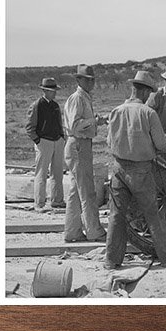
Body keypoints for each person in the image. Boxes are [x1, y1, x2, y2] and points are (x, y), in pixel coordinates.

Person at [105, 69, 166, 269]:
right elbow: (161, 144)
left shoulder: (116, 111)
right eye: (149, 93)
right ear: (144, 92)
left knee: (116, 215)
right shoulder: (148, 113)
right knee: (153, 215)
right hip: (141, 172)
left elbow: (110, 142)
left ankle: (111, 260)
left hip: (118, 169)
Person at [62, 63, 107, 243]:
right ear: (79, 80)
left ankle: (72, 231)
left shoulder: (84, 98)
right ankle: (94, 231)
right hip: (78, 144)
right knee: (87, 191)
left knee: (76, 191)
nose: (91, 83)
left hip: (81, 144)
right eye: (87, 80)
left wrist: (96, 121)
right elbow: (75, 125)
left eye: (92, 80)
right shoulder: (77, 98)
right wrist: (94, 121)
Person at [24, 76, 65, 212]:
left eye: (55, 90)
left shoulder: (55, 105)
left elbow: (59, 123)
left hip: (57, 141)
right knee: (41, 174)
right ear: (45, 91)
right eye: (52, 91)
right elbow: (29, 127)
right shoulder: (37, 105)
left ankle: (57, 201)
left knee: (57, 173)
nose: (55, 93)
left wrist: (62, 137)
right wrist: (38, 141)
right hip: (44, 142)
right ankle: (39, 203)